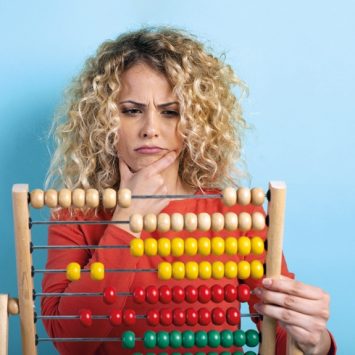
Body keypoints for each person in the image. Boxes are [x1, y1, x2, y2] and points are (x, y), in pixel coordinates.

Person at [42, 27, 335, 354]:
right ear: (104, 121)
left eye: (170, 112)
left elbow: (282, 337)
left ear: (194, 124)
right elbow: (69, 341)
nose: (150, 130)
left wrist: (315, 341)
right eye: (132, 110)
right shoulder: (76, 214)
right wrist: (125, 222)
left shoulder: (236, 214)